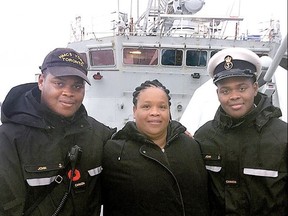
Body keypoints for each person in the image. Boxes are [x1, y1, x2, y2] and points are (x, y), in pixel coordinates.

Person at [0, 48, 115, 215]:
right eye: (59, 83)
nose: (68, 92)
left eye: (77, 86)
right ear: (41, 81)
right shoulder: (8, 139)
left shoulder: (98, 134)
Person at [194, 47, 288, 215]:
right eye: (225, 90)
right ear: (217, 94)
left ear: (255, 87)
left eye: (242, 88)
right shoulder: (203, 136)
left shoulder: (283, 138)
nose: (234, 96)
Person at [101, 79, 210, 216]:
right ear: (135, 110)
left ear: (169, 111)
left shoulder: (191, 146)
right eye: (146, 107)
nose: (155, 112)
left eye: (162, 107)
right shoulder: (115, 151)